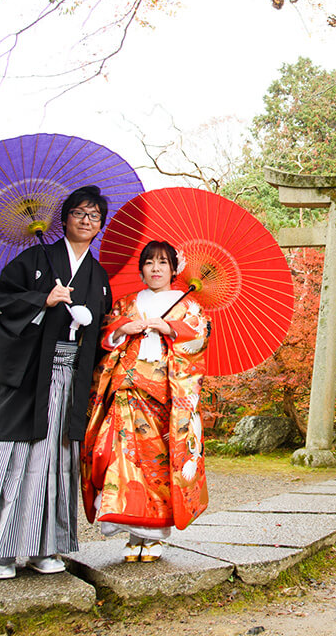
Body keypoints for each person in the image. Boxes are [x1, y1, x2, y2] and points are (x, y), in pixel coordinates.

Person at [0, 185, 114, 579]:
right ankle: (2, 552)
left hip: (70, 379)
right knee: (14, 455)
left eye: (94, 216)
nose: (86, 221)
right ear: (64, 218)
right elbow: (3, 301)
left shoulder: (99, 277)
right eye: (79, 213)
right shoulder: (36, 258)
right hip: (29, 377)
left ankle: (47, 548)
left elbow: (103, 332)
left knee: (56, 462)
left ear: (100, 225)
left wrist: (95, 330)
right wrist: (42, 300)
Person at [81, 239, 211, 562]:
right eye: (149, 263)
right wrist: (123, 329)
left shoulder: (188, 306)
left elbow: (199, 336)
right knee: (115, 455)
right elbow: (105, 336)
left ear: (174, 270)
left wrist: (168, 327)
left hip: (162, 394)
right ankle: (131, 531)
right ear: (141, 270)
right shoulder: (127, 302)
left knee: (155, 463)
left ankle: (153, 536)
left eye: (163, 263)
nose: (155, 269)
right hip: (125, 389)